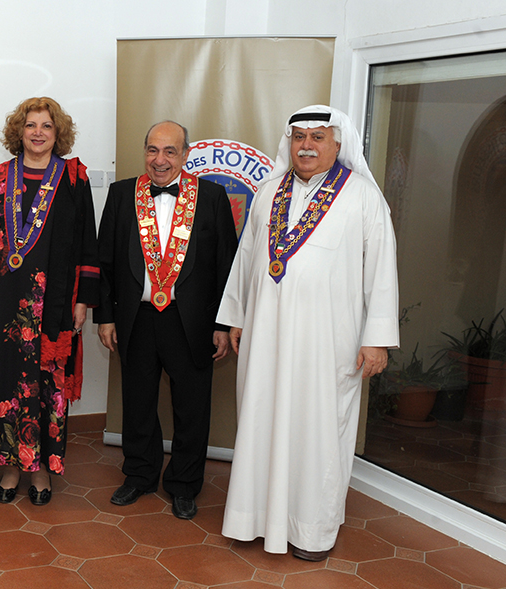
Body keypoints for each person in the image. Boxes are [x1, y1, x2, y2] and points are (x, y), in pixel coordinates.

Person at [217, 105, 399, 561]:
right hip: (265, 336)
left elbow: (382, 270)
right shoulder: (268, 192)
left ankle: (311, 530)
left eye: (318, 137)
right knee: (260, 418)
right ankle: (252, 518)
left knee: (318, 431)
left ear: (338, 143)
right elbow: (246, 258)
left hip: (327, 342)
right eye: (299, 136)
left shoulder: (362, 196)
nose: (306, 145)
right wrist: (236, 316)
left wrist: (376, 338)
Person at [95, 121, 237, 519]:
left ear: (186, 154)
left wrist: (222, 324)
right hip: (136, 319)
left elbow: (226, 266)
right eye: (153, 150)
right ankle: (139, 475)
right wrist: (106, 318)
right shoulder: (122, 194)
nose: (160, 160)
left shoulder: (212, 197)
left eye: (170, 151)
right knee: (137, 403)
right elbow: (105, 262)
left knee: (192, 408)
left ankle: (184, 484)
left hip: (190, 322)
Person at [0, 97, 99, 505]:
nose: (38, 133)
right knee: (6, 383)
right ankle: (10, 466)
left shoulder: (73, 179)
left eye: (46, 126)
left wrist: (83, 302)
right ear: (19, 132)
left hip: (53, 306)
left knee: (46, 386)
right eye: (31, 125)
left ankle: (41, 469)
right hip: (3, 306)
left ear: (58, 133)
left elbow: (88, 244)